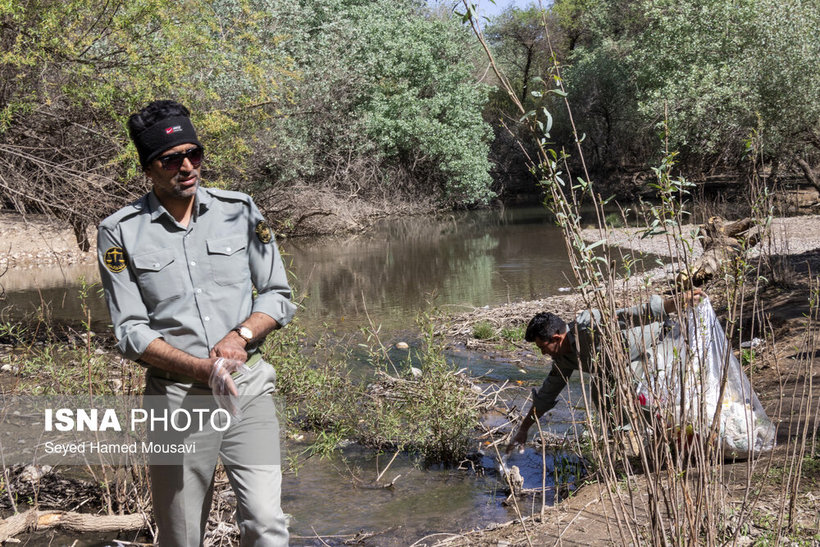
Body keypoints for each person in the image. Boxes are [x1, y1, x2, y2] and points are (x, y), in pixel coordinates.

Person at [97, 100, 295, 546]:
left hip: (249, 390)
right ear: (148, 168)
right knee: (182, 535)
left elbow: (278, 295)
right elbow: (129, 330)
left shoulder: (241, 209)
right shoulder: (120, 231)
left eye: (194, 154)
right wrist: (201, 369)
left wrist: (241, 335)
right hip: (176, 401)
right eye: (171, 159)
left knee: (266, 524)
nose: (187, 167)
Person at [506, 290, 704, 454]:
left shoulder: (590, 326)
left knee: (635, 391)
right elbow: (547, 394)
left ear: (557, 338)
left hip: (661, 342)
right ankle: (626, 441)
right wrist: (524, 429)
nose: (543, 353)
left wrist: (675, 303)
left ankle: (674, 438)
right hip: (626, 363)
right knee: (600, 388)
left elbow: (633, 314)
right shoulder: (563, 358)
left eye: (543, 347)